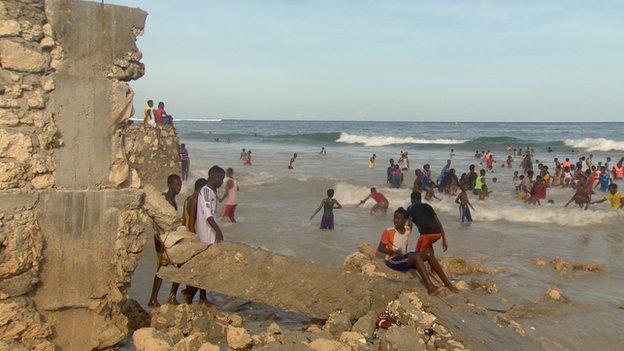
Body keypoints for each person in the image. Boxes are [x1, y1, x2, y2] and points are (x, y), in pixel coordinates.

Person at [378, 208, 446, 295]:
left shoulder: (407, 230)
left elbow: (410, 223)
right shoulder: (388, 231)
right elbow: (380, 248)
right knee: (416, 256)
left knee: (429, 254)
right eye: (395, 218)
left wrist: (410, 212)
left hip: (404, 257)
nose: (396, 221)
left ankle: (447, 283)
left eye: (399, 218)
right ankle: (430, 288)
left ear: (405, 220)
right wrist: (394, 252)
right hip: (392, 260)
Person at [184, 166, 226, 304]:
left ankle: (202, 298)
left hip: (209, 235)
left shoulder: (211, 192)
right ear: (215, 177)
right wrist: (219, 231)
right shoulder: (206, 192)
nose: (222, 182)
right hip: (207, 236)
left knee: (205, 269)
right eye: (221, 179)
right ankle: (190, 296)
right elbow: (208, 214)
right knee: (203, 269)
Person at [406, 192, 458, 293]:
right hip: (437, 234)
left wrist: (406, 238)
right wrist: (444, 239)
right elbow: (438, 221)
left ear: (412, 199)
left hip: (426, 235)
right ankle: (434, 272)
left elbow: (410, 224)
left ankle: (435, 283)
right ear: (420, 199)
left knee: (417, 258)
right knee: (429, 253)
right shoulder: (428, 206)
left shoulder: (411, 208)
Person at [148, 174, 182, 307]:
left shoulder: (173, 199)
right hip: (162, 239)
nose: (178, 188)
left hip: (168, 238)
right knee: (164, 269)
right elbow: (155, 218)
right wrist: (158, 236)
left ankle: (157, 298)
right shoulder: (165, 199)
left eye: (179, 185)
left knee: (166, 268)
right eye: (175, 185)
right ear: (169, 185)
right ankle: (160, 298)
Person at [181, 177, 208, 304]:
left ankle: (198, 296)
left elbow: (184, 220)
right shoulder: (197, 200)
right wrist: (196, 240)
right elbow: (192, 222)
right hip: (196, 237)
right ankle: (197, 298)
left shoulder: (187, 199)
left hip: (187, 236)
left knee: (193, 269)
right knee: (201, 269)